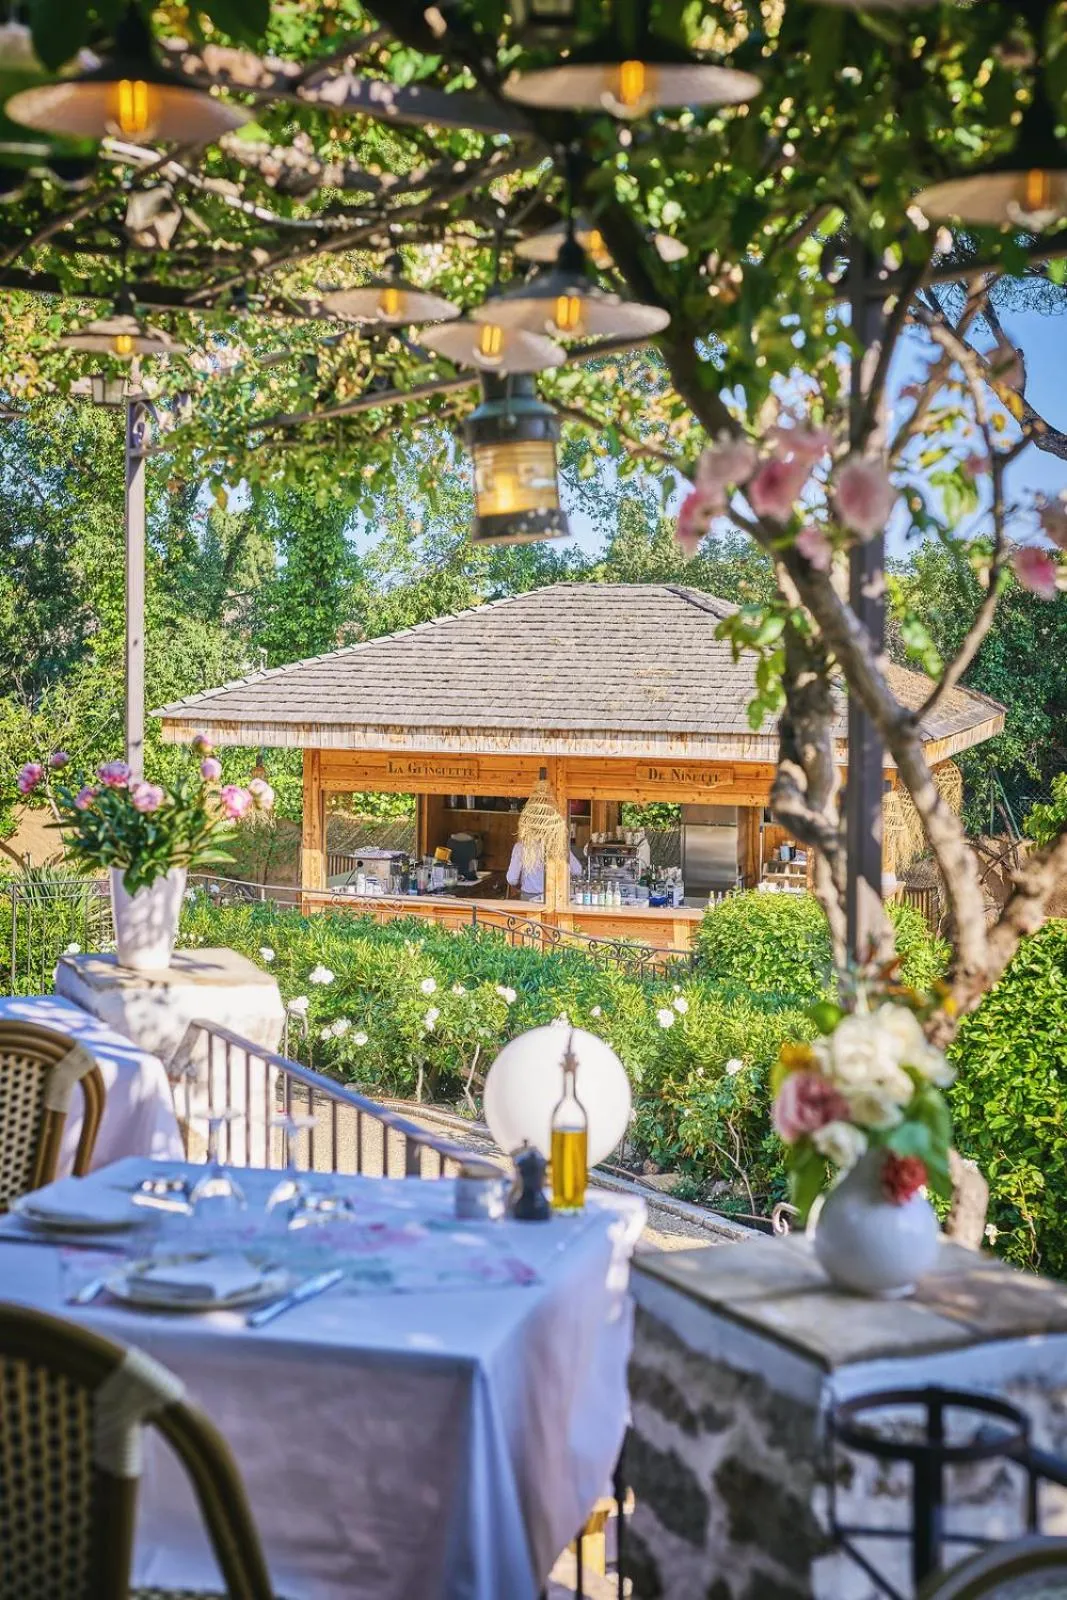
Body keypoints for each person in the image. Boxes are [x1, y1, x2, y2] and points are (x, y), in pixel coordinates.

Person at [506, 839, 582, 901]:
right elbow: (577, 870)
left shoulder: (521, 846)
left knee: (529, 920)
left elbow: (512, 879)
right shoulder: (559, 846)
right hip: (554, 898)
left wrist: (521, 882)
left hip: (528, 897)